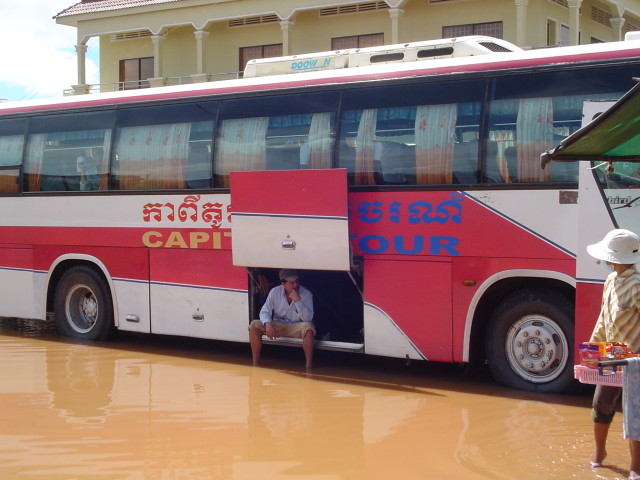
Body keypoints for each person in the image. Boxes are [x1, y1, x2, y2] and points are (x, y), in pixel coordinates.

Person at [586, 228, 640, 479]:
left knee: (634, 412)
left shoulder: (637, 285)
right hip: (610, 354)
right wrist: (592, 348)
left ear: (613, 257)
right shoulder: (610, 281)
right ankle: (599, 453)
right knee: (601, 404)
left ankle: (636, 467)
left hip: (634, 360)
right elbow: (603, 319)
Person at [249, 269, 315, 370]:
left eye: (297, 281)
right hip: (277, 324)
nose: (295, 285)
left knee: (309, 328)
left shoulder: (306, 294)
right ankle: (256, 363)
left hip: (295, 326)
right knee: (254, 325)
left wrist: (298, 301)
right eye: (292, 282)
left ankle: (309, 367)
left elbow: (308, 318)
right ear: (283, 283)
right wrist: (267, 323)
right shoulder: (275, 292)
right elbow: (265, 311)